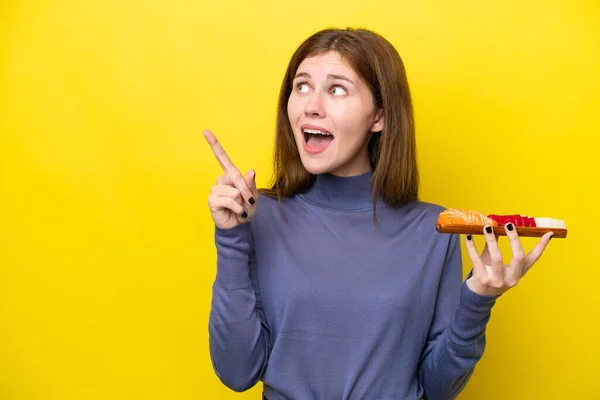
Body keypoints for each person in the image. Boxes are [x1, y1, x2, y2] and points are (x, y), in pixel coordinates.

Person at [203, 27, 553, 400]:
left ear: (379, 117)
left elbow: (438, 388)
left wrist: (478, 298)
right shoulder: (257, 218)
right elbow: (238, 372)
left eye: (336, 89)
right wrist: (231, 237)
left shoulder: (436, 231)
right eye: (301, 86)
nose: (311, 105)